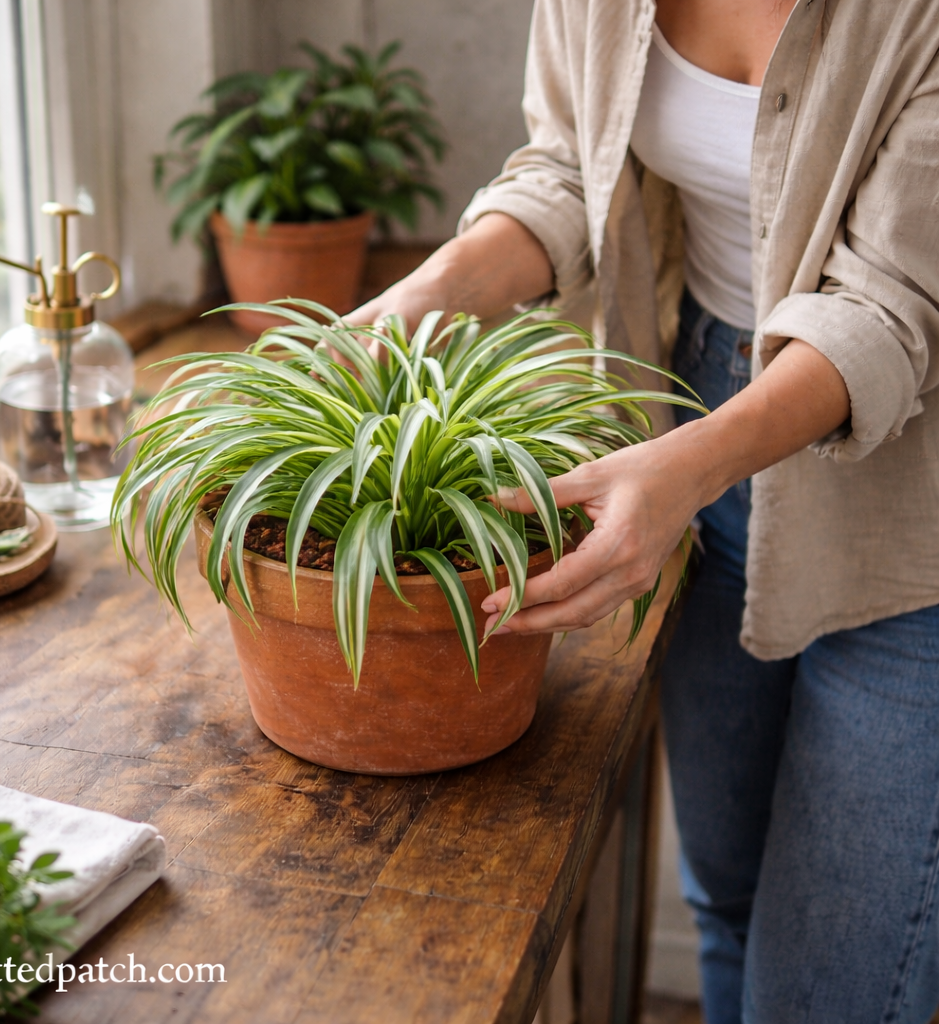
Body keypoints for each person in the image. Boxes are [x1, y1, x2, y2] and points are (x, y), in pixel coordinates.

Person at [346, 1, 939, 1021]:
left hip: (909, 501)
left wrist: (685, 472)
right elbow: (573, 163)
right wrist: (429, 292)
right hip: (697, 406)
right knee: (727, 891)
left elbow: (889, 303)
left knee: (822, 986)